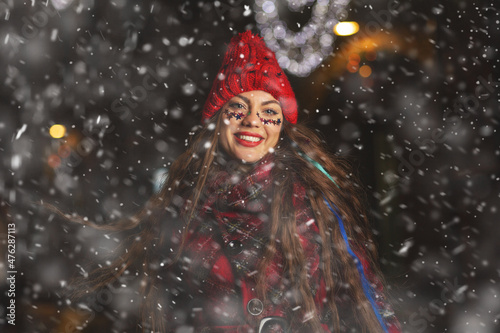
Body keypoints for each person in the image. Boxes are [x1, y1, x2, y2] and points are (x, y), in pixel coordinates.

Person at [65, 31, 401, 333]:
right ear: (217, 119)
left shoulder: (316, 205)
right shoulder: (184, 208)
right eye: (238, 108)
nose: (254, 120)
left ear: (281, 127)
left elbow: (369, 306)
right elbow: (164, 311)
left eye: (269, 111)